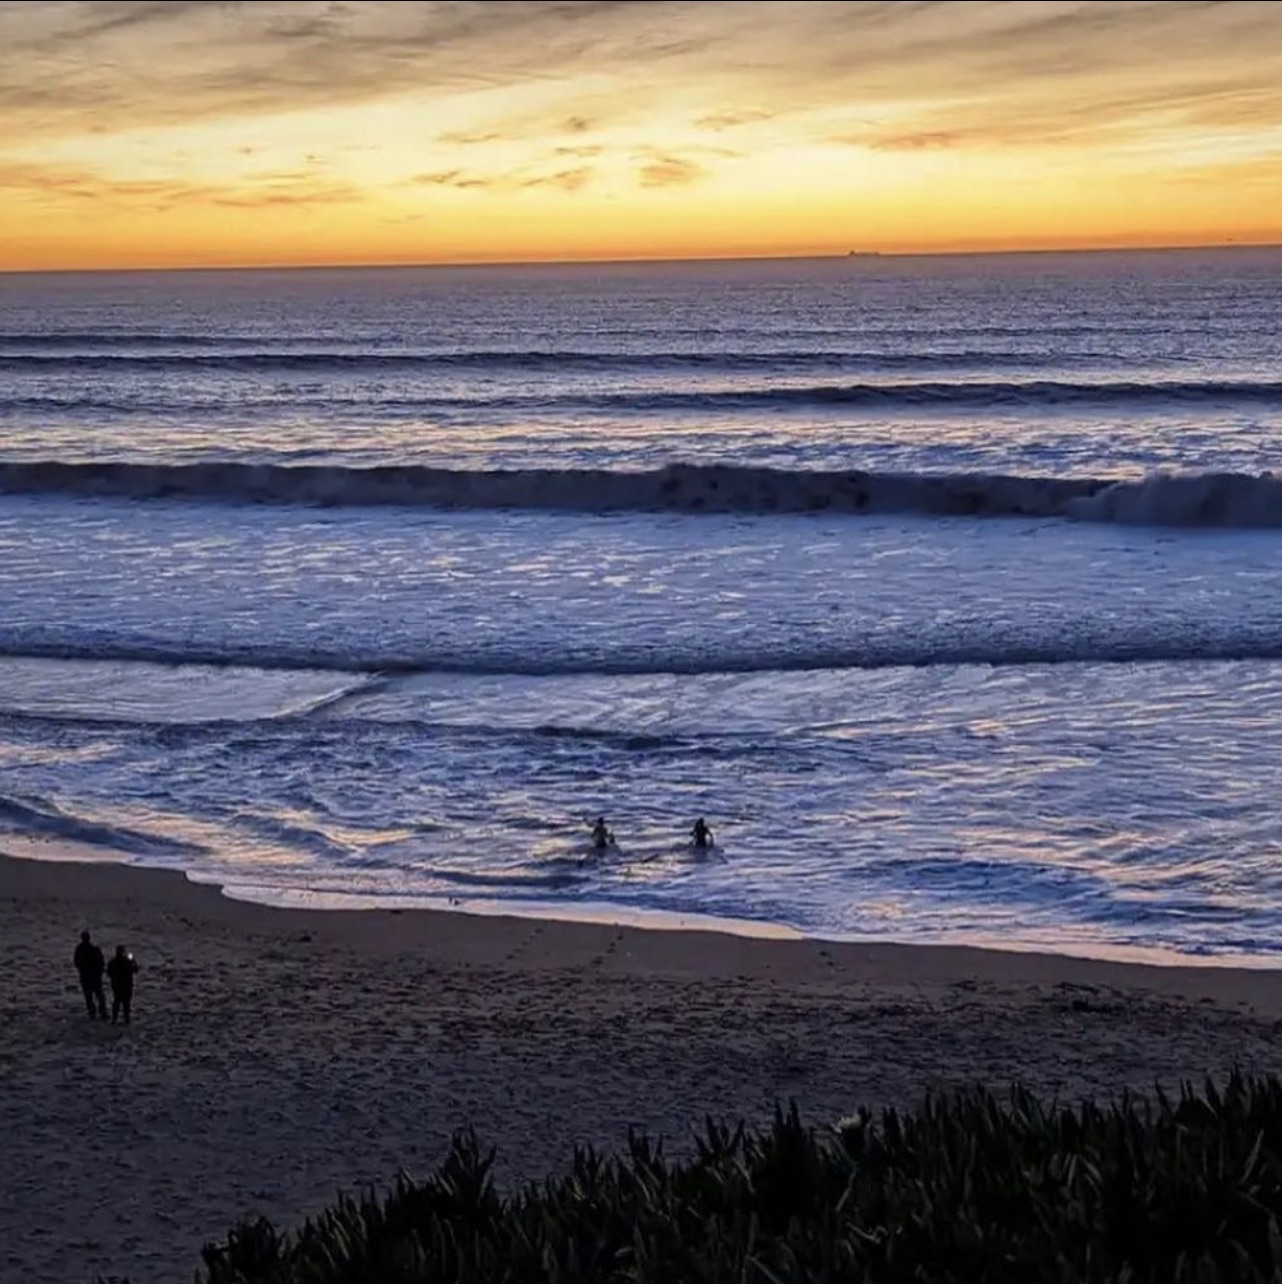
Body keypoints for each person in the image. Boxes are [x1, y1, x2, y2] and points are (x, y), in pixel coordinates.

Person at [73, 931, 107, 1019]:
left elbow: (76, 963)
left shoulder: (80, 949)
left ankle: (92, 1012)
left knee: (89, 995)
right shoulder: (94, 949)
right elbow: (101, 963)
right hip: (94, 976)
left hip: (86, 976)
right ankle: (102, 1011)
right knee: (99, 995)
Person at [106, 945, 138, 1025]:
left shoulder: (113, 962)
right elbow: (135, 970)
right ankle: (126, 1018)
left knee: (116, 1002)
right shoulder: (127, 962)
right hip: (126, 985)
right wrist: (133, 961)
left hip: (117, 985)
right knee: (126, 1003)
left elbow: (108, 973)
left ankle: (115, 1018)